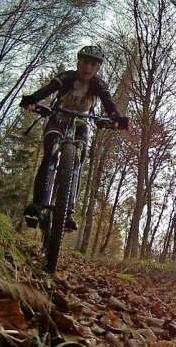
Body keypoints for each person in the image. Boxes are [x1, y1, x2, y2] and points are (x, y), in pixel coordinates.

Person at [19, 45, 128, 230]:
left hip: (80, 123)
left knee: (77, 162)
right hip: (58, 119)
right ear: (79, 62)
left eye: (93, 65)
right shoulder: (68, 77)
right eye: (85, 63)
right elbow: (48, 89)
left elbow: (109, 104)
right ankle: (37, 205)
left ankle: (68, 212)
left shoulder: (99, 84)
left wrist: (116, 119)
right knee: (50, 155)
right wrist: (32, 100)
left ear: (97, 69)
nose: (88, 68)